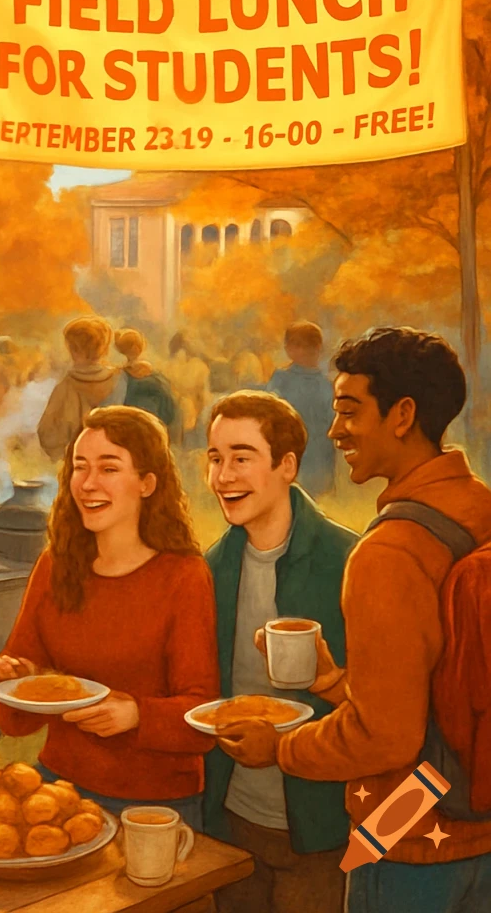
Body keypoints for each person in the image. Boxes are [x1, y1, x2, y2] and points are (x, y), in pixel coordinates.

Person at [217, 328, 491, 913]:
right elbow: (442, 692)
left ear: (403, 415)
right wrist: (335, 683)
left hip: (407, 835)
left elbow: (385, 737)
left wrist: (279, 748)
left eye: (349, 410)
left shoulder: (388, 552)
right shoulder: (480, 506)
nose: (334, 430)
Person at [0, 406, 219, 827]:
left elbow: (202, 716)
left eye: (109, 468)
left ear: (147, 483)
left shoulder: (183, 575)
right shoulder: (55, 565)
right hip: (59, 789)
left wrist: (137, 715)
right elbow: (15, 723)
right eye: (80, 467)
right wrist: (13, 678)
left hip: (154, 805)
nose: (88, 484)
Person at [204, 391, 356, 913]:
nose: (223, 476)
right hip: (231, 821)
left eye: (241, 458)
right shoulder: (211, 568)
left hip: (322, 827)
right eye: (216, 458)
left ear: (287, 466)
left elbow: (391, 712)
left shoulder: (349, 561)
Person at [37, 316, 123, 462]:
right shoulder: (121, 380)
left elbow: (46, 433)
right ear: (104, 349)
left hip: (77, 462)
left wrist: (64, 456)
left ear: (74, 350)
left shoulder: (65, 387)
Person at [265, 322, 336, 497]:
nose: (304, 351)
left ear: (319, 349)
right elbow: (271, 412)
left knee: (315, 496)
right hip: (289, 448)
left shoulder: (328, 385)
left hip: (319, 453)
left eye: (310, 347)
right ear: (288, 349)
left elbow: (333, 419)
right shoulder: (281, 380)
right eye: (298, 346)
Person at [113, 328, 177, 429]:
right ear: (137, 348)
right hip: (150, 418)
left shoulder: (119, 375)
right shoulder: (154, 377)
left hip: (130, 419)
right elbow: (167, 406)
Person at [162, 332, 210, 449]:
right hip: (190, 413)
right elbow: (204, 398)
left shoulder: (166, 366)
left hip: (171, 413)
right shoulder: (200, 367)